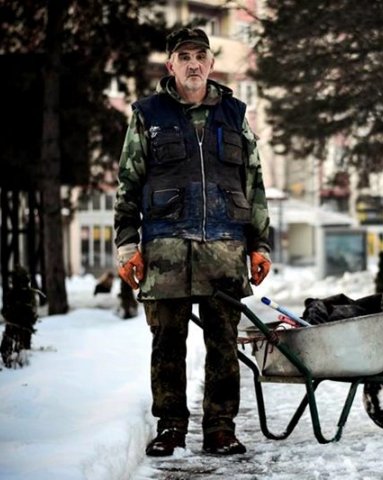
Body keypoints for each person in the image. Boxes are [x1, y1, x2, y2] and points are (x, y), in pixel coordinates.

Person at [114, 27, 271, 457]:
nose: (193, 63)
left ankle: (220, 427)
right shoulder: (148, 114)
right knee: (167, 342)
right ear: (171, 65)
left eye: (200, 55)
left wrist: (260, 244)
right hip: (165, 251)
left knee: (222, 341)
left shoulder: (235, 113)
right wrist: (128, 246)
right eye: (184, 56)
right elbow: (128, 183)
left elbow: (253, 182)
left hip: (224, 247)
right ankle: (171, 427)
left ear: (211, 63)